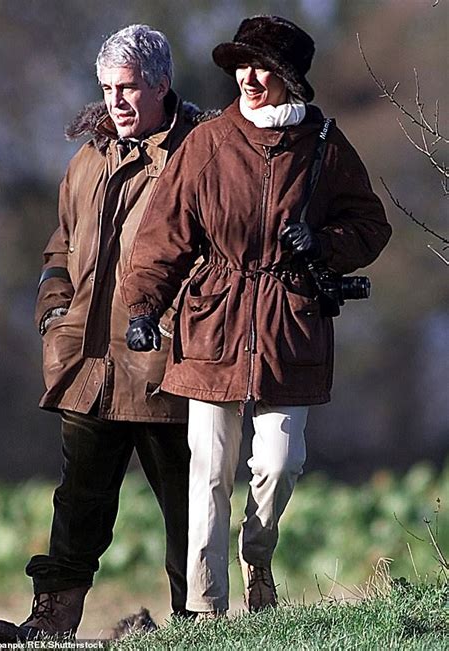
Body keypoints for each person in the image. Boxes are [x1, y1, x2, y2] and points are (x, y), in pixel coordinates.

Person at [120, 15, 392, 618]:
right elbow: (165, 237)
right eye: (241, 64)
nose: (248, 76)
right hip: (213, 321)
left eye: (262, 65)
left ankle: (258, 558)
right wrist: (144, 306)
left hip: (289, 325)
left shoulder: (326, 145)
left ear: (290, 78)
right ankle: (206, 609)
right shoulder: (208, 142)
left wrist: (323, 243)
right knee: (209, 475)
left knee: (280, 462)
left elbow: (372, 226)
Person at [0, 24, 200, 640]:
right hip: (88, 368)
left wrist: (182, 327)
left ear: (162, 85)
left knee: (189, 508)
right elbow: (60, 248)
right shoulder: (86, 160)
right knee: (76, 503)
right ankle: (52, 619)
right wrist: (55, 317)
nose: (117, 102)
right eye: (107, 89)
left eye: (129, 88)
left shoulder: (200, 157)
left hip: (167, 369)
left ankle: (197, 623)